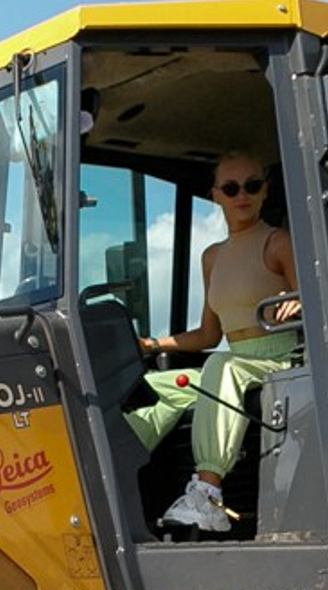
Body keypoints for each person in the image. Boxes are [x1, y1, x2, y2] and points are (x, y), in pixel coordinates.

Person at [127, 151, 302, 536]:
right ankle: (116, 478)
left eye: (252, 186)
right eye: (231, 188)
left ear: (264, 191)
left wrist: (300, 298)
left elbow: (315, 296)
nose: (242, 195)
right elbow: (208, 335)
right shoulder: (212, 257)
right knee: (152, 388)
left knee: (219, 368)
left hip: (279, 358)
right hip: (238, 359)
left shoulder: (278, 242)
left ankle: (207, 494)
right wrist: (153, 345)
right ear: (216, 196)